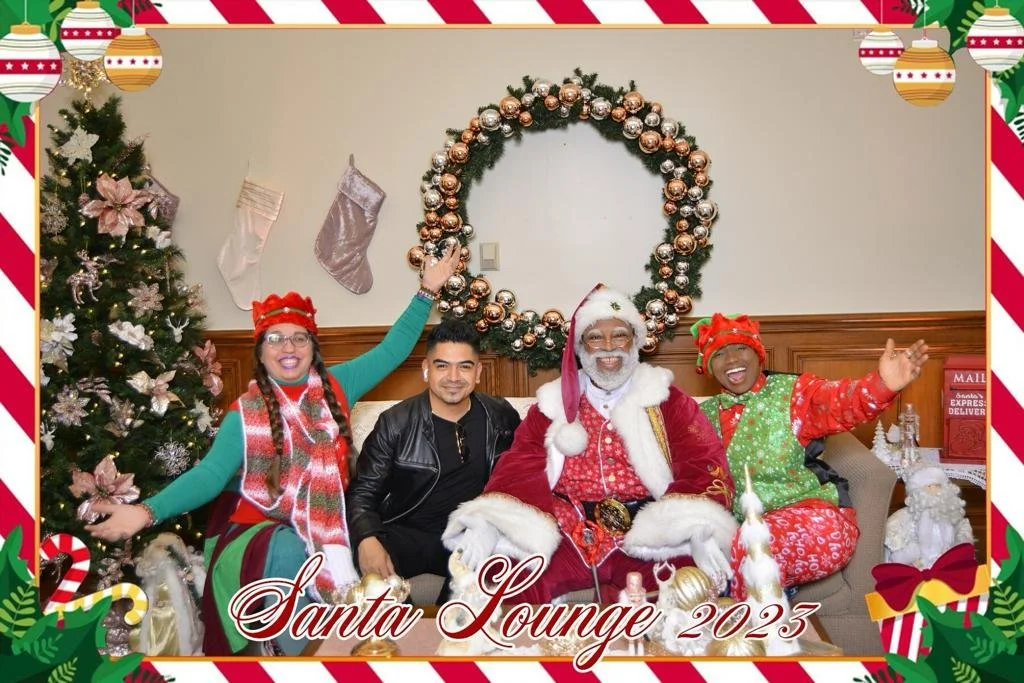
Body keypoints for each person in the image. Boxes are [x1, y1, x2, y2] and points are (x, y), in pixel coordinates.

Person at [84, 246, 460, 656]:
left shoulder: (338, 385)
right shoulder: (244, 414)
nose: (288, 347)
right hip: (257, 535)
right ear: (261, 351)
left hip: (328, 527)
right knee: (291, 549)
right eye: (275, 338)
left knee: (376, 549)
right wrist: (145, 512)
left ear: (312, 347)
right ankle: (296, 661)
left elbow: (392, 350)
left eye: (299, 337)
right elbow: (210, 475)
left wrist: (427, 291)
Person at [442, 285, 737, 604]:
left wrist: (697, 526)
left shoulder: (667, 400)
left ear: (635, 341)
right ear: (580, 347)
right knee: (502, 583)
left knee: (692, 589)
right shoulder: (553, 403)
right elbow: (519, 466)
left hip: (648, 535)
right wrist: (490, 521)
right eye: (595, 337)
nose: (608, 347)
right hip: (569, 530)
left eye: (619, 335)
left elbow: (703, 464)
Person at [690, 312, 930, 598]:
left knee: (754, 542)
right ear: (708, 367)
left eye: (741, 348)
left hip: (813, 519)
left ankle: (746, 613)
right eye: (719, 354)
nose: (731, 359)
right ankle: (764, 601)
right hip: (744, 528)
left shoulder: (793, 393)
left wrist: (882, 384)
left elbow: (841, 401)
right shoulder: (701, 417)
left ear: (758, 354)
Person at [345, 319, 521, 603]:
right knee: (372, 580)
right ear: (426, 369)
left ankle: (451, 623)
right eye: (442, 366)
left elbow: (524, 478)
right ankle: (404, 629)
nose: (453, 377)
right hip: (405, 534)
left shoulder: (500, 417)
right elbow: (362, 492)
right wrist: (366, 537)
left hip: (469, 538)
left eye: (464, 366)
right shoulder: (395, 423)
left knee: (481, 579)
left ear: (478, 372)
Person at [884, 460, 974, 568]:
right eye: (929, 486)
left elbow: (963, 533)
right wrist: (912, 554)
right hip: (917, 565)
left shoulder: (950, 512)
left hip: (947, 562)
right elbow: (895, 536)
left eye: (938, 485)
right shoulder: (907, 515)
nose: (934, 489)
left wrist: (955, 550)